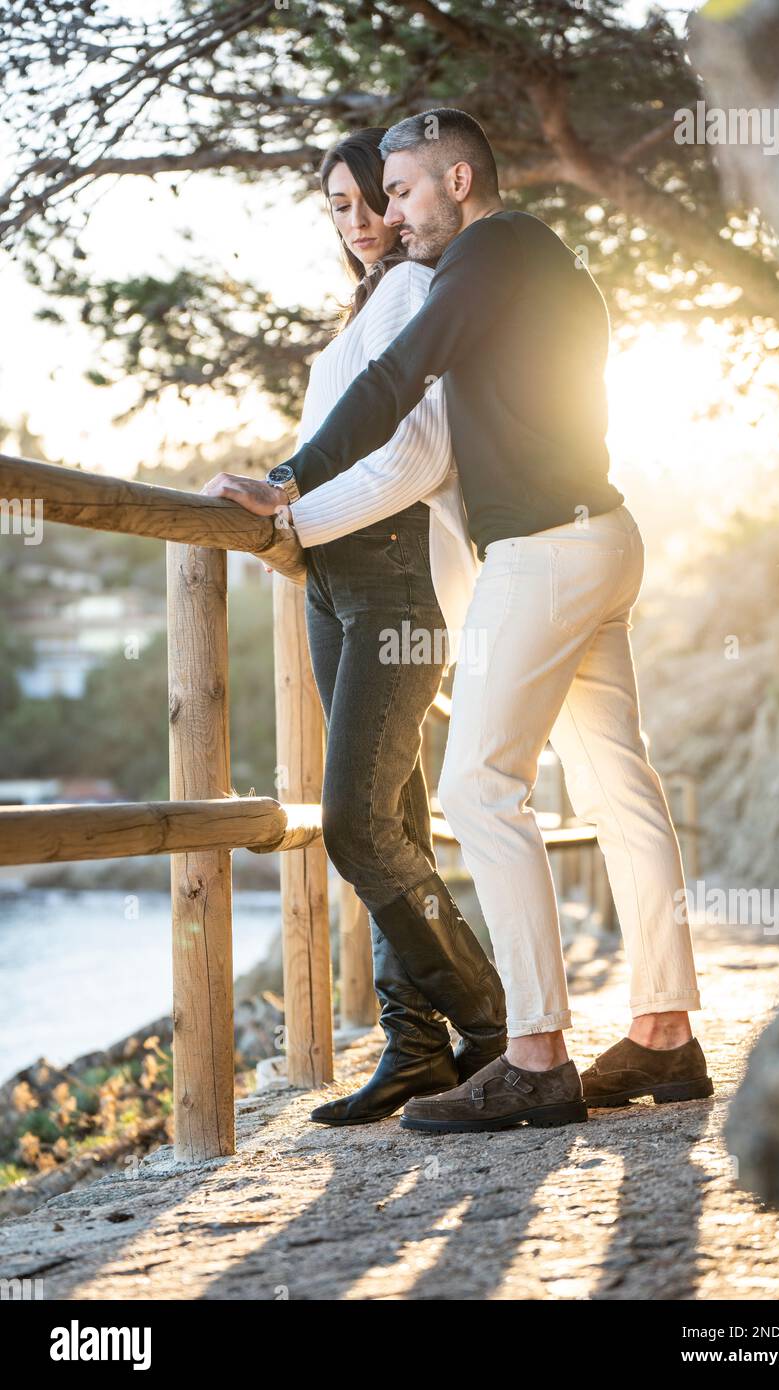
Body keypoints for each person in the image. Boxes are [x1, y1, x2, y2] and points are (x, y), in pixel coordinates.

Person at [255, 108, 712, 1134]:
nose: (392, 210)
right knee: (617, 782)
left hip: (547, 547)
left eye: (405, 189)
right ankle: (665, 1032)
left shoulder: (489, 250)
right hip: (600, 533)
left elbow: (396, 376)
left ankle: (534, 1053)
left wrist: (288, 481)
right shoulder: (535, 255)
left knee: (477, 783)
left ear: (459, 182)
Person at [202, 128, 506, 1126]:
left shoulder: (418, 291)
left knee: (354, 826)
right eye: (339, 203)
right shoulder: (358, 319)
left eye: (375, 194)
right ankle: (415, 1045)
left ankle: (490, 1018)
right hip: (331, 583)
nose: (362, 217)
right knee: (396, 821)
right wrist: (297, 537)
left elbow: (415, 460)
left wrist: (293, 520)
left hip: (391, 580)